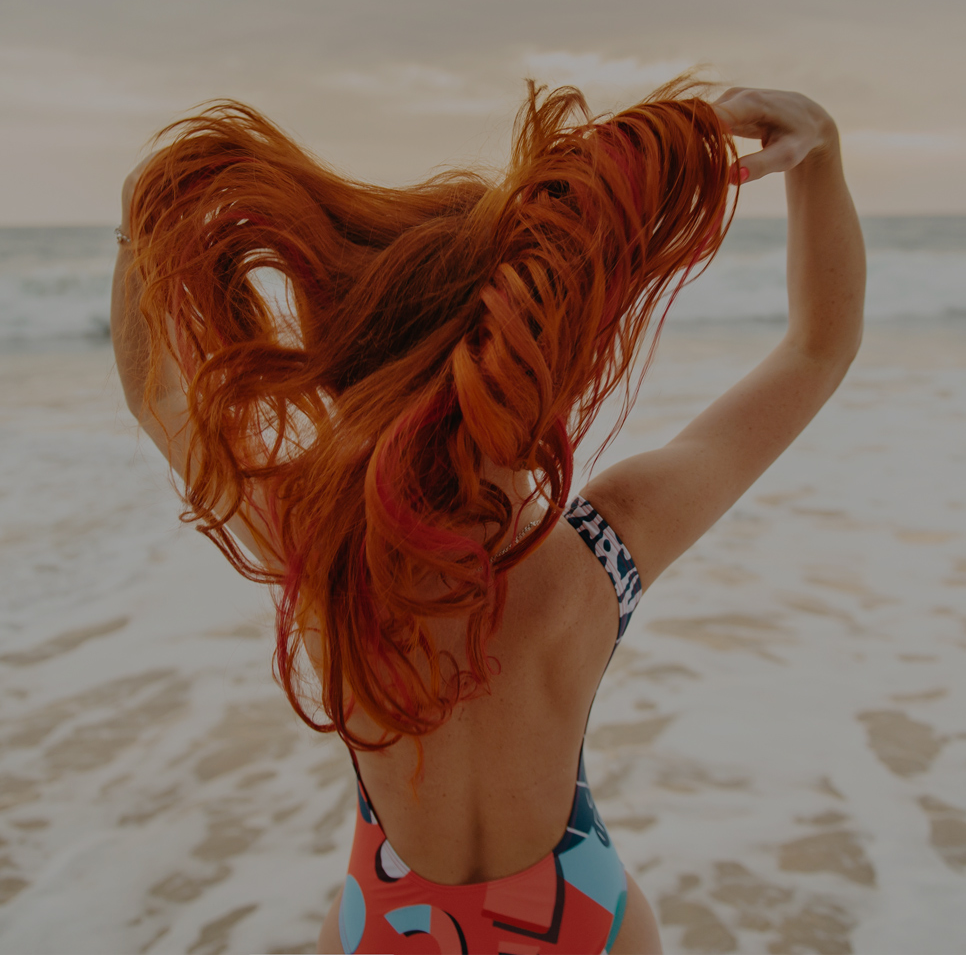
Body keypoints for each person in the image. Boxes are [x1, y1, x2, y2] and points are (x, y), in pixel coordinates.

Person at [111, 80, 865, 954]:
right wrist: (823, 156)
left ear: (344, 369)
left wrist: (145, 226)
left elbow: (154, 393)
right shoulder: (602, 551)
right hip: (579, 919)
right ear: (537, 345)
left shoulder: (318, 546)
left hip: (383, 924)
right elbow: (818, 347)